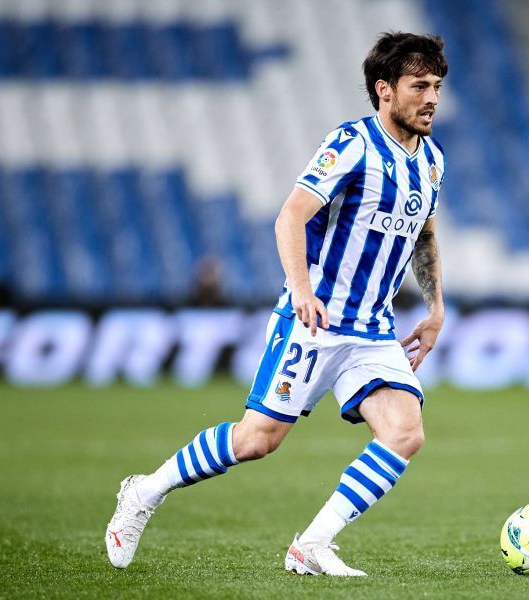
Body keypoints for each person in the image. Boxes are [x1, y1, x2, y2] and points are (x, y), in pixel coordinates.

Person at [105, 31, 448, 577]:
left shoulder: (431, 161)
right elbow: (290, 216)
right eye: (419, 86)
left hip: (372, 331)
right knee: (256, 440)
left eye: (436, 87)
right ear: (385, 89)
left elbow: (423, 235)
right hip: (314, 320)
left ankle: (311, 545)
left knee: (405, 433)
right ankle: (144, 492)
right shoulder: (352, 145)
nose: (431, 98)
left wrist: (435, 308)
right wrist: (303, 291)